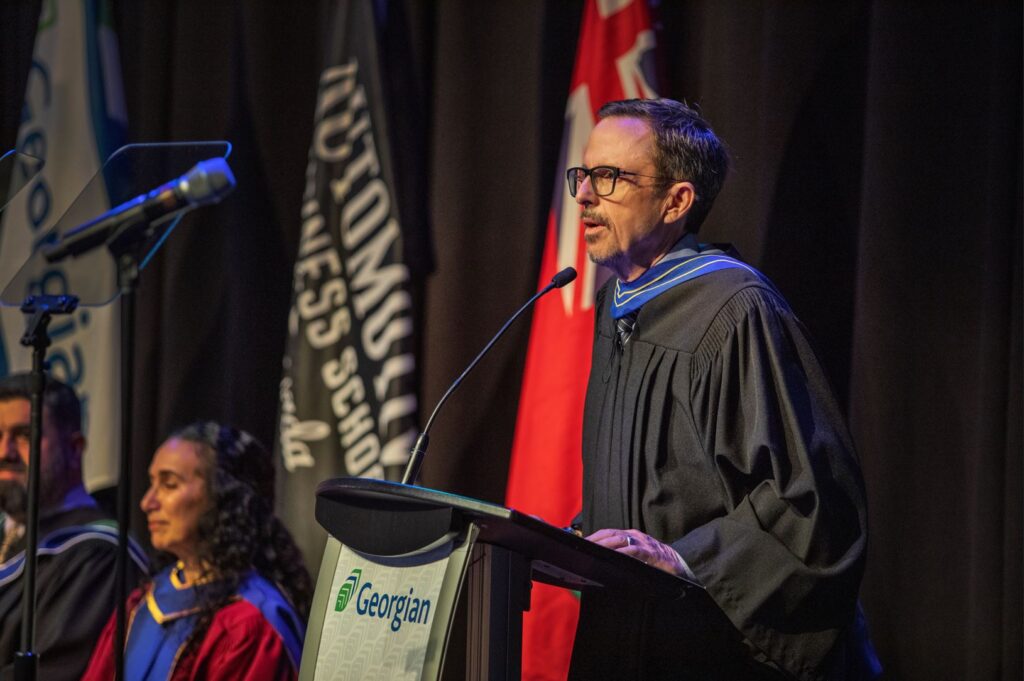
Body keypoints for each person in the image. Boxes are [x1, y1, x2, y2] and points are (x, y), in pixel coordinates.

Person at [566, 99, 881, 680]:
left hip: (715, 651)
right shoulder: (619, 308)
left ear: (677, 200)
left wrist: (684, 558)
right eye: (584, 175)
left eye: (608, 178)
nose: (584, 194)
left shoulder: (736, 311)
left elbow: (811, 506)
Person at [83, 421, 312, 681]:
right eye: (152, 483)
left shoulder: (249, 623)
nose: (147, 502)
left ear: (223, 497)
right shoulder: (142, 604)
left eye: (169, 485)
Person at [0, 372, 146, 680]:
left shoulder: (99, 557)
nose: (5, 452)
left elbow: (53, 672)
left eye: (24, 435)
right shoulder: (11, 535)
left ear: (75, 447)